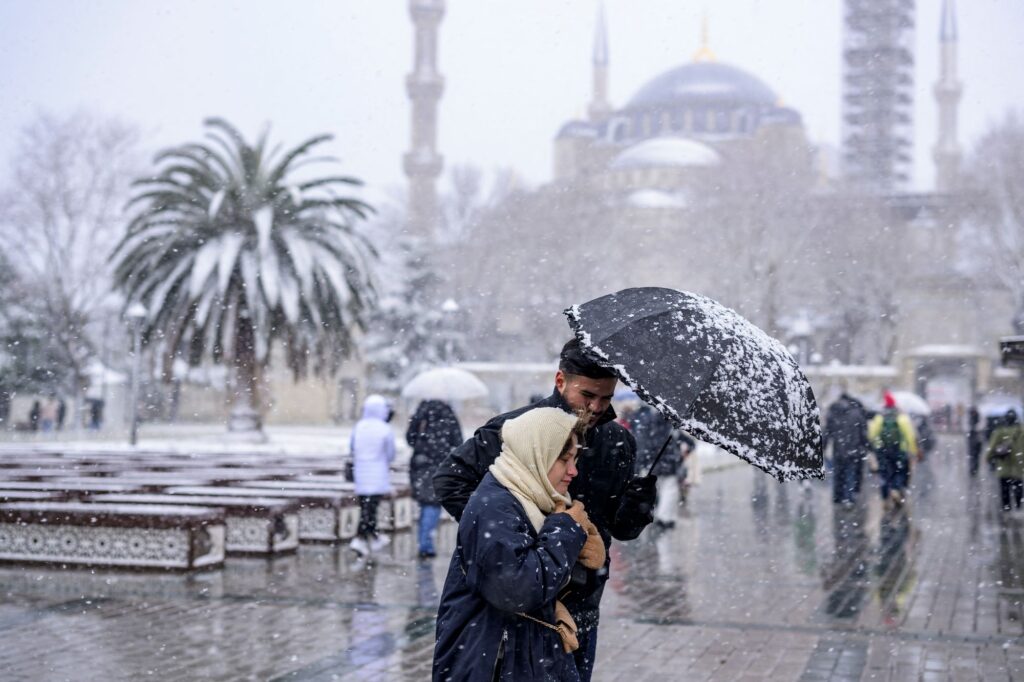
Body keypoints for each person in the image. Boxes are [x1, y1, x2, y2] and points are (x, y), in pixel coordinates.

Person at [434, 338, 655, 681]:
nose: (596, 407)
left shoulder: (617, 442)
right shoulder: (518, 429)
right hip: (519, 606)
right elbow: (450, 481)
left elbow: (619, 528)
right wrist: (506, 540)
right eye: (587, 395)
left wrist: (637, 507)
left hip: (581, 601)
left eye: (606, 398)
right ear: (560, 381)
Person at [433, 407, 606, 681]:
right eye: (564, 460)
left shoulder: (536, 500)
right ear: (537, 455)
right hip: (493, 661)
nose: (573, 470)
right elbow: (516, 590)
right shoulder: (496, 507)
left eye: (575, 459)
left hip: (520, 656)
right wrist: (565, 531)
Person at [406, 399, 463, 559]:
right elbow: (458, 441)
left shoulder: (421, 411)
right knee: (432, 503)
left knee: (426, 503)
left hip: (420, 464)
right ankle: (426, 544)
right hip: (440, 464)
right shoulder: (448, 413)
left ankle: (424, 541)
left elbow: (409, 438)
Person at [349, 394, 396, 557]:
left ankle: (373, 536)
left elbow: (352, 448)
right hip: (377, 473)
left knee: (365, 506)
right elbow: (390, 453)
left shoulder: (359, 426)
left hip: (361, 473)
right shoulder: (385, 428)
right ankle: (359, 538)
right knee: (371, 508)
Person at [629, 404, 683, 528]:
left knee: (660, 490)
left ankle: (659, 515)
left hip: (656, 463)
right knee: (668, 490)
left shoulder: (651, 425)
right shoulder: (668, 427)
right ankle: (663, 517)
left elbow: (645, 445)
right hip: (666, 464)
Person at [868, 392, 919, 509]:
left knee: (885, 474)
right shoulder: (902, 418)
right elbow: (910, 436)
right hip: (899, 451)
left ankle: (885, 498)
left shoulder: (879, 417)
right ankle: (896, 489)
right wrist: (913, 451)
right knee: (899, 472)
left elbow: (872, 434)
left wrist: (876, 447)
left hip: (883, 451)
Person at [823, 392, 870, 505]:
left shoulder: (833, 413)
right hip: (853, 450)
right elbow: (863, 434)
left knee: (838, 474)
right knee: (850, 473)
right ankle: (849, 498)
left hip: (838, 450)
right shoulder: (856, 414)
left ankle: (837, 497)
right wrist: (868, 446)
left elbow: (827, 432)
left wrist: (823, 446)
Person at [985, 409, 1024, 514]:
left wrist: (988, 458)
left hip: (1004, 467)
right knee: (1018, 490)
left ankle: (1007, 511)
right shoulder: (1021, 430)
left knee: (1004, 491)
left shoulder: (1000, 431)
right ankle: (1019, 510)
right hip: (1018, 467)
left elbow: (991, 447)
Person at [966, 405, 982, 477]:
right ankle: (973, 468)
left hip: (977, 439)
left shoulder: (978, 418)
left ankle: (974, 468)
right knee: (972, 455)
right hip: (972, 439)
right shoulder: (969, 418)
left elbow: (981, 426)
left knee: (976, 455)